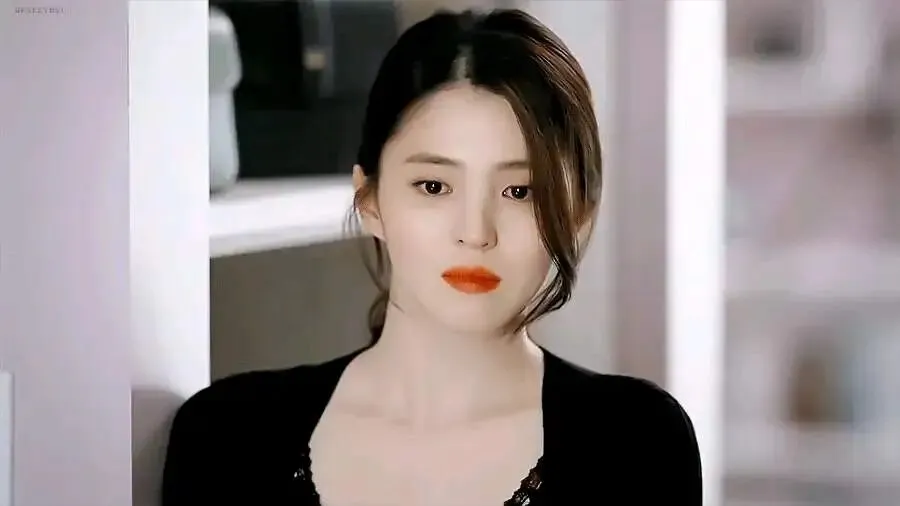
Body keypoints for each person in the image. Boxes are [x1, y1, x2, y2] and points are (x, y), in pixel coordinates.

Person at [162, 8, 702, 506]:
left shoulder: (634, 443)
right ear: (370, 200)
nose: (475, 233)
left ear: (578, 212)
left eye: (520, 191)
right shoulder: (226, 435)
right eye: (434, 186)